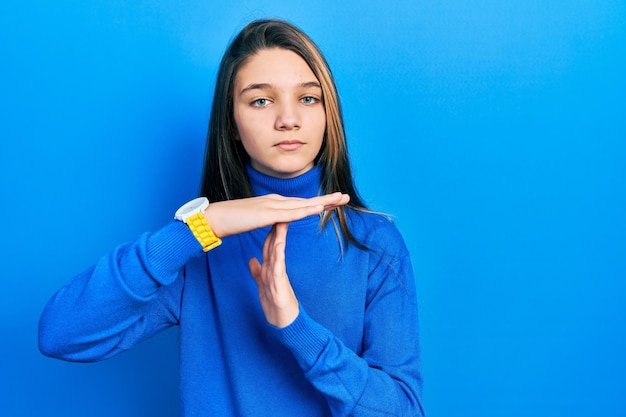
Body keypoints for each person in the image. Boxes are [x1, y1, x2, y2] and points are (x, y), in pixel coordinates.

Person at [38, 18, 425, 417]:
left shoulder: (374, 244)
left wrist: (296, 328)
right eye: (261, 100)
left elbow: (403, 411)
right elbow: (61, 335)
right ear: (232, 125)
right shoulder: (200, 251)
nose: (288, 119)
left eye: (308, 98)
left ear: (329, 113)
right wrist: (196, 230)